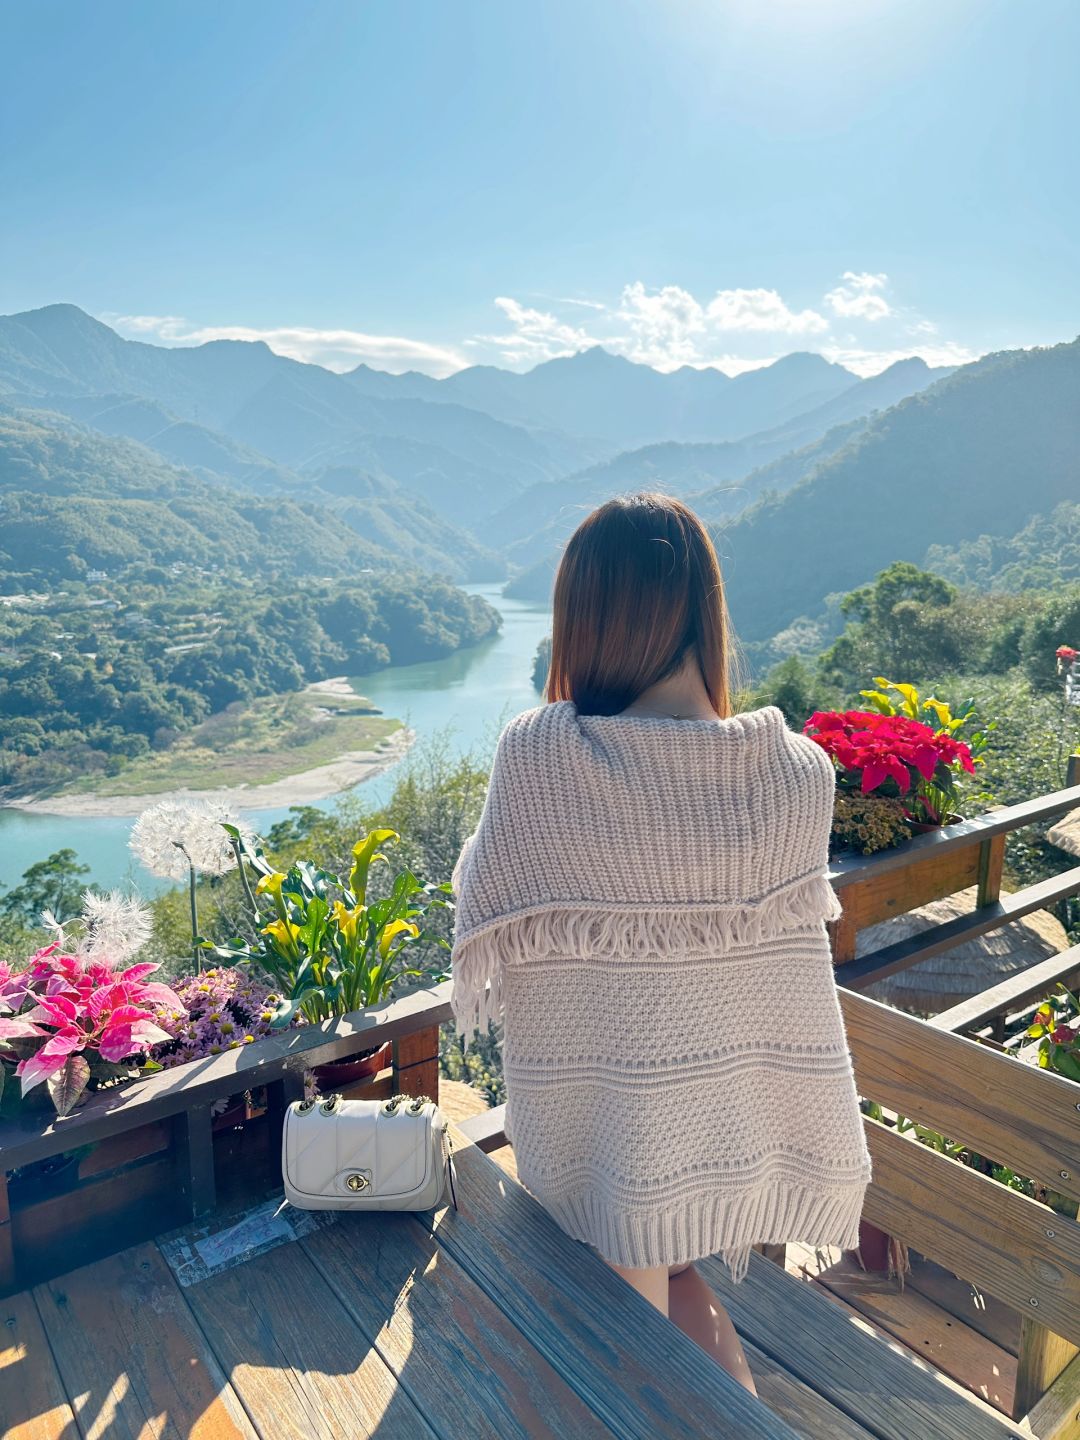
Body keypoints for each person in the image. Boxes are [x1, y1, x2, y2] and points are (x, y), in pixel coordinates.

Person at [450, 492, 871, 1394]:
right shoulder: (800, 776)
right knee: (677, 1284)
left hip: (598, 1127)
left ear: (583, 621)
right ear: (705, 614)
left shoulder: (538, 756)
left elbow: (484, 895)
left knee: (619, 1357)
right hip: (728, 1127)